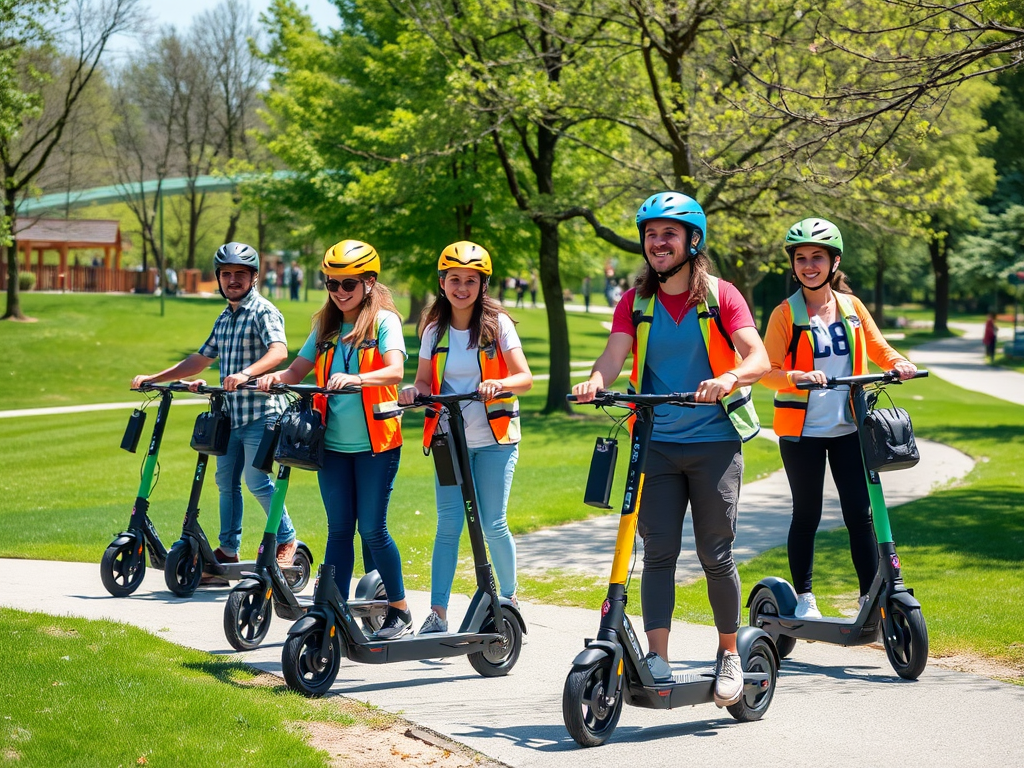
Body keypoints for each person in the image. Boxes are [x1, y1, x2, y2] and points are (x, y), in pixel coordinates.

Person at [572, 192, 769, 707]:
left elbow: (758, 356)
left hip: (714, 443)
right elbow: (615, 354)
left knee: (715, 552)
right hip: (655, 443)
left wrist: (728, 377)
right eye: (651, 234)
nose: (658, 243)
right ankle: (657, 657)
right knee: (657, 552)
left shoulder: (722, 296)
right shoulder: (635, 302)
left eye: (669, 234)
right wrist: (596, 381)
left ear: (691, 241)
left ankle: (729, 653)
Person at [761, 218, 917, 621]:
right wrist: (797, 377)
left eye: (817, 257)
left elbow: (879, 347)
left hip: (849, 427)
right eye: (801, 259)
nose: (808, 265)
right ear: (793, 265)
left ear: (835, 262)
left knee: (860, 514)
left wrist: (898, 362)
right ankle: (805, 596)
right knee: (807, 513)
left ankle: (870, 598)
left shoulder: (851, 307)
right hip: (803, 433)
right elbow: (766, 370)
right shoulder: (785, 313)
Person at [258, 240, 413, 639]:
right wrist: (276, 378)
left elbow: (395, 371)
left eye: (348, 283)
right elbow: (298, 368)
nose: (339, 292)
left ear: (368, 282)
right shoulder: (326, 326)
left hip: (377, 444)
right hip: (332, 446)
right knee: (340, 528)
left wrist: (360, 378)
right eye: (331, 283)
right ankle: (334, 609)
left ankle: (399, 609)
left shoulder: (384, 322)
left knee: (373, 530)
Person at [131, 243, 297, 584]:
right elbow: (200, 358)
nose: (232, 280)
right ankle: (228, 550)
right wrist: (155, 377)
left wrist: (247, 373)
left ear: (253, 277)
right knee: (225, 482)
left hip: (262, 412)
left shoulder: (263, 311)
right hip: (231, 415)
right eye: (226, 274)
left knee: (255, 480)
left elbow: (279, 351)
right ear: (219, 279)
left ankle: (286, 539)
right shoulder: (224, 317)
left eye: (240, 274)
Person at [399, 241, 533, 634]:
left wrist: (500, 382)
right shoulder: (434, 329)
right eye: (454, 279)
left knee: (493, 524)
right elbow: (424, 381)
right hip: (448, 439)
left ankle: (507, 601)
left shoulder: (498, 325)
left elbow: (523, 378)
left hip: (495, 437)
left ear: (482, 284)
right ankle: (437, 614)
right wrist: (413, 391)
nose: (461, 287)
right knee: (448, 525)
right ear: (442, 283)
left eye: (470, 280)